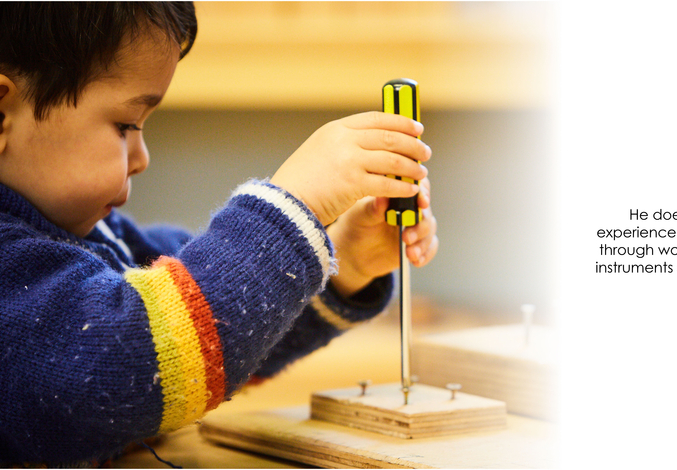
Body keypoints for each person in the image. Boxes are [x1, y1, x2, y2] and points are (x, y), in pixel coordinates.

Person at [0, 2, 438, 466]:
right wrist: (295, 207)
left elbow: (206, 335)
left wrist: (344, 261)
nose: (142, 156)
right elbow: (132, 362)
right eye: (125, 125)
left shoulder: (87, 236)